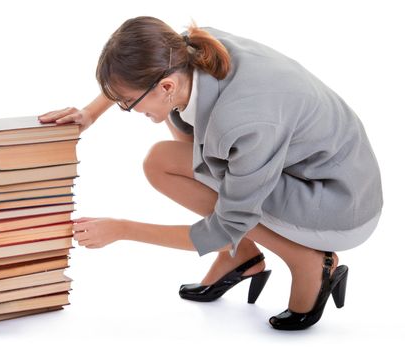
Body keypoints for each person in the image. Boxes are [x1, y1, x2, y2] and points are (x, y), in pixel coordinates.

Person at [38, 16, 383, 330]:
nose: (128, 109)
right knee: (168, 155)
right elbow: (139, 68)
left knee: (164, 163)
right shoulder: (187, 50)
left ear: (167, 87)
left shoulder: (242, 122)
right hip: (316, 170)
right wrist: (90, 113)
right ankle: (241, 256)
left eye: (128, 102)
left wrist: (122, 230)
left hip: (338, 203)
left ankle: (307, 260)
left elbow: (223, 228)